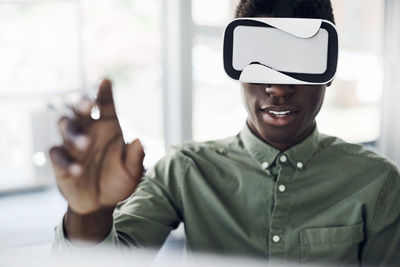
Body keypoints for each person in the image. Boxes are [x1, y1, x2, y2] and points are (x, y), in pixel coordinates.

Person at [50, 0, 400, 266]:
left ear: (328, 70)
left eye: (300, 60)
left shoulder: (378, 183)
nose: (278, 87)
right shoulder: (185, 170)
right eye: (260, 59)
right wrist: (88, 214)